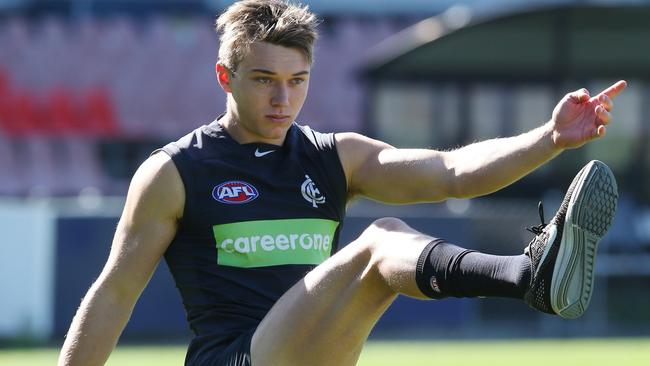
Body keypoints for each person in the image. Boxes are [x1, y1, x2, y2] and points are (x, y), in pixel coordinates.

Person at [57, 1, 627, 365]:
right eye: (264, 80)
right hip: (235, 359)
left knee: (384, 253)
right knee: (381, 239)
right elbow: (113, 294)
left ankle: (533, 276)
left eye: (297, 81)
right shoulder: (174, 171)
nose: (283, 99)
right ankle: (527, 275)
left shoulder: (335, 157)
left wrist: (549, 138)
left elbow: (451, 173)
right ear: (224, 76)